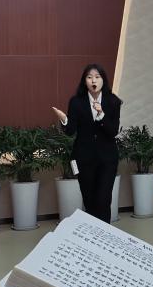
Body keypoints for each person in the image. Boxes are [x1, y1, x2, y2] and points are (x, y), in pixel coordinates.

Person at [52, 64, 122, 224]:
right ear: (84, 81)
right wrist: (64, 119)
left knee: (103, 199)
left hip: (107, 159)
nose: (93, 81)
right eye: (89, 77)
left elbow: (113, 131)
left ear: (103, 80)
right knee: (89, 200)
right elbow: (70, 131)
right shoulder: (76, 102)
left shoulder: (113, 101)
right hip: (83, 159)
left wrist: (101, 114)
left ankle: (103, 233)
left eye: (97, 77)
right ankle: (92, 233)